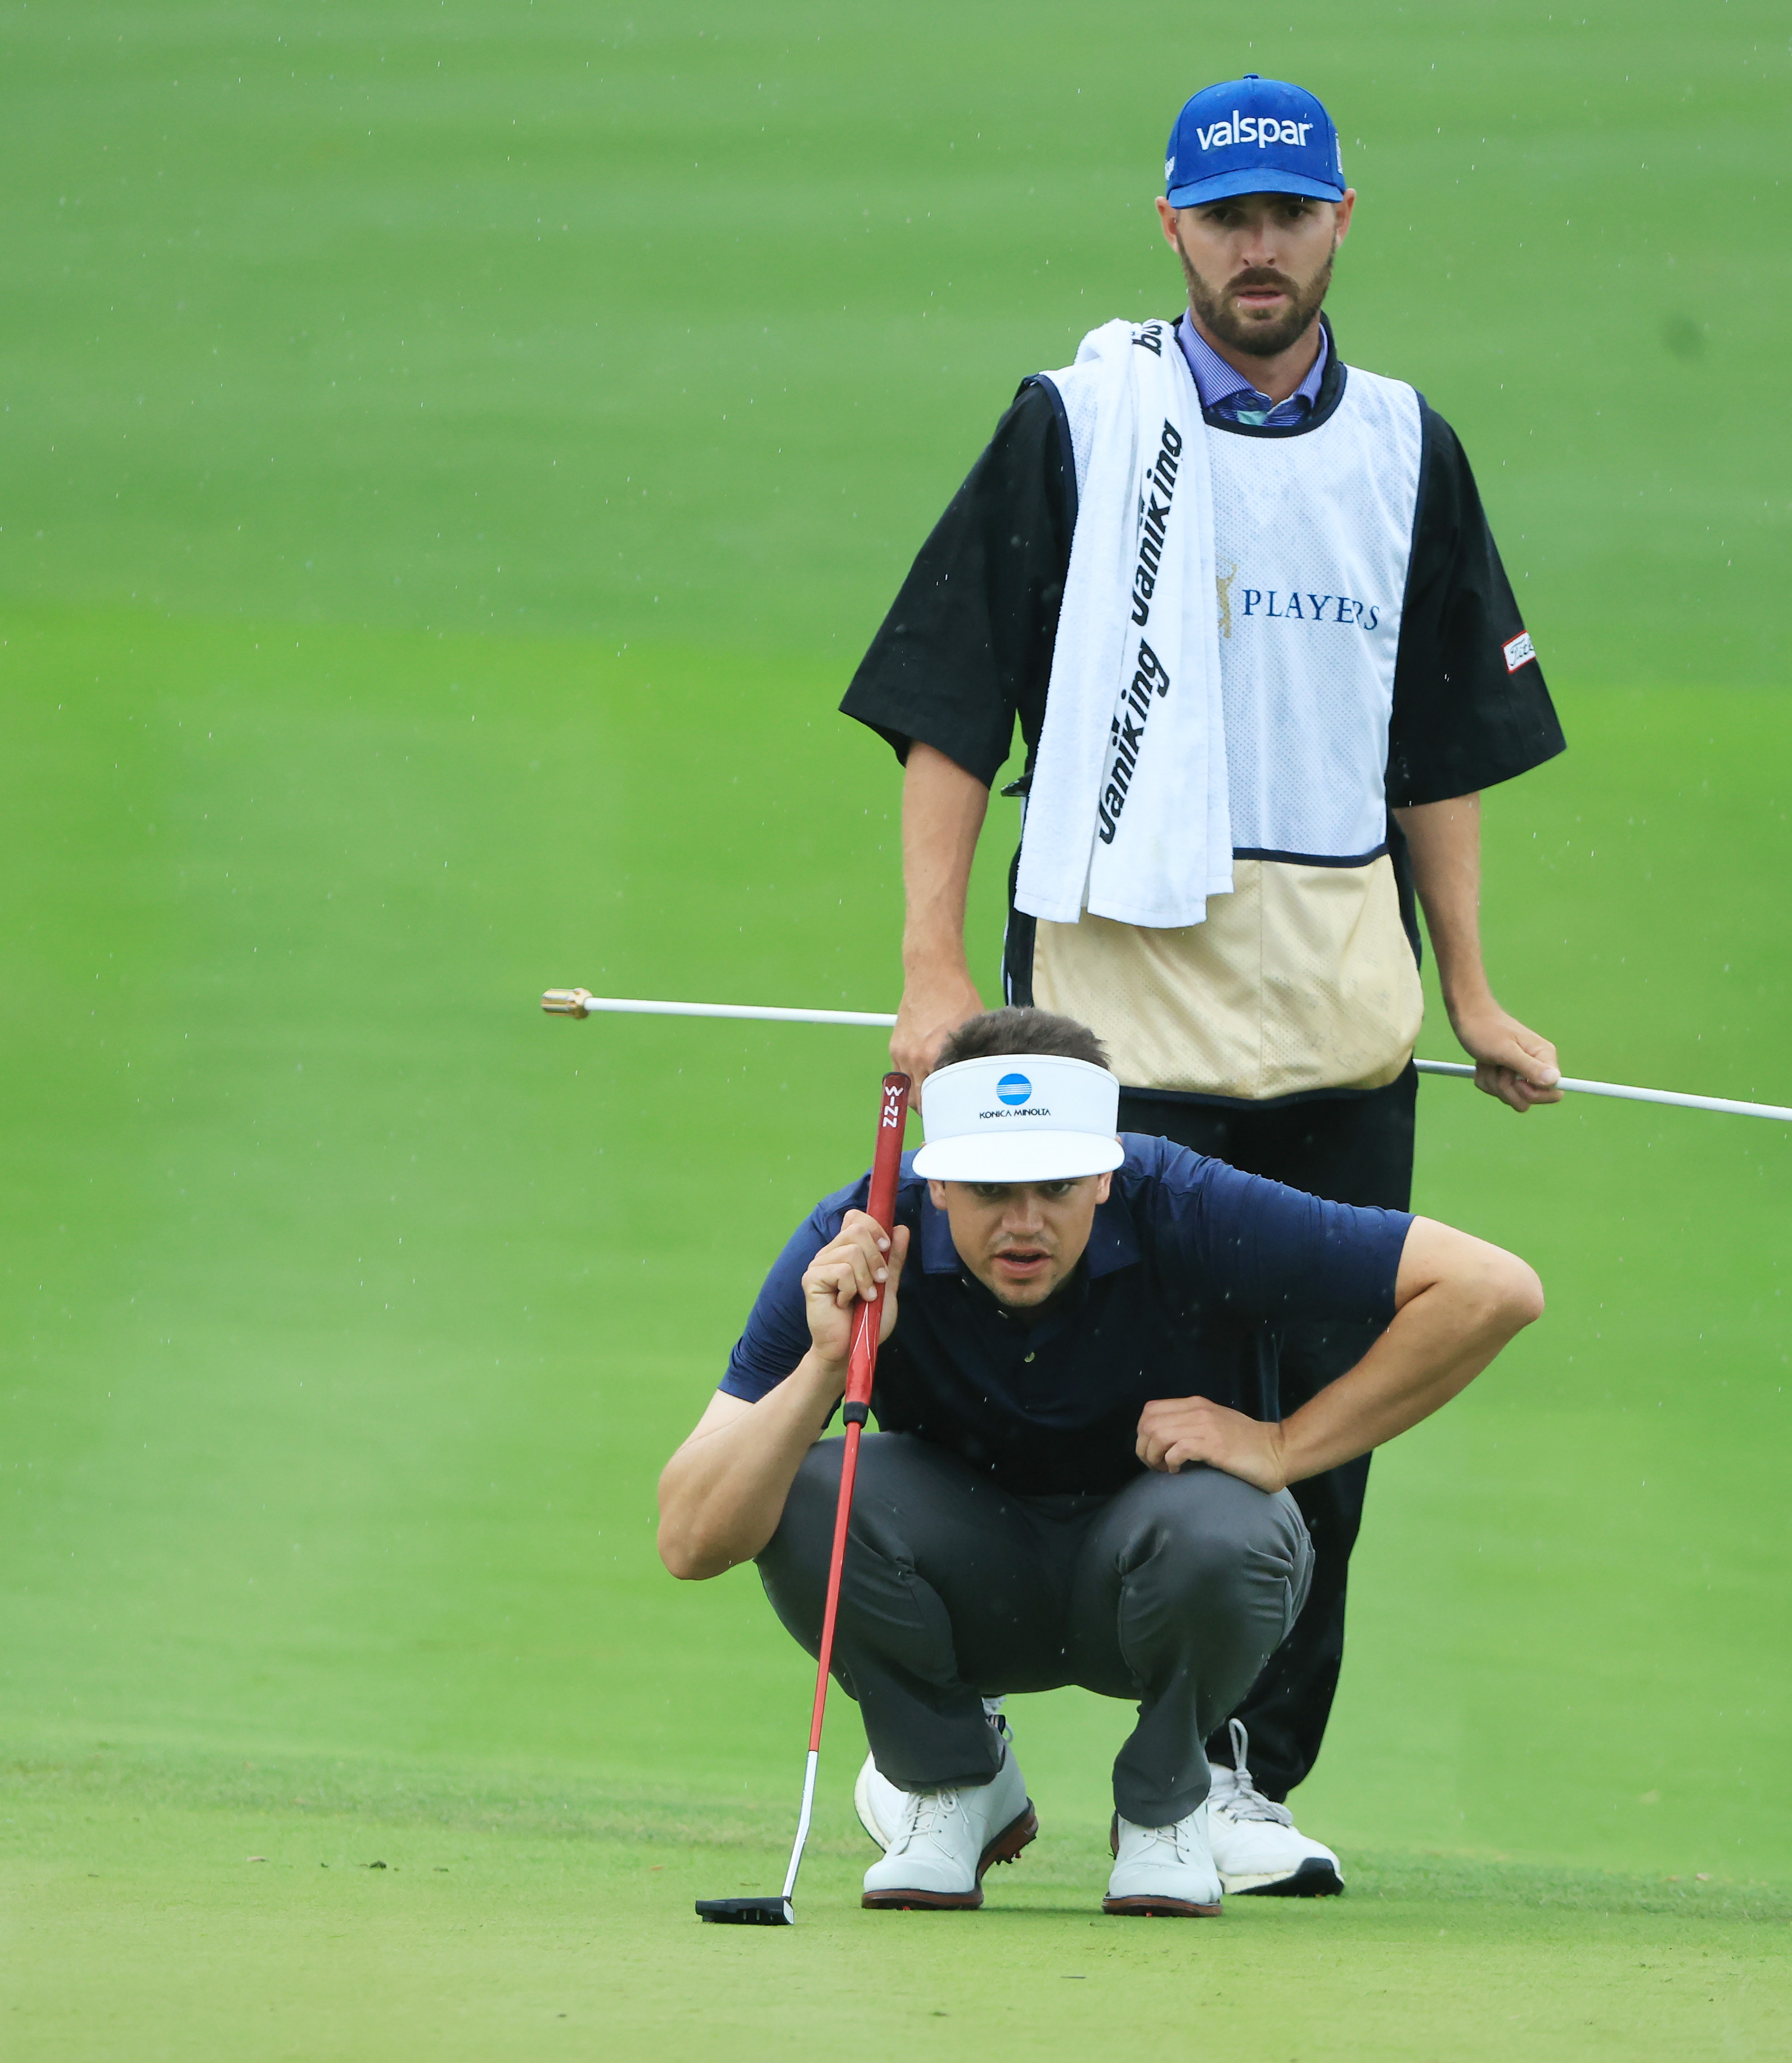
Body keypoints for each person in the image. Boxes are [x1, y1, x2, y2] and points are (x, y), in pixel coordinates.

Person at [836, 73, 1568, 1893]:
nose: (1260, 250)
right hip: (1114, 1011)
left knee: (1319, 1421)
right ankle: (962, 1748)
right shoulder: (1078, 423)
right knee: (1059, 1389)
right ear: (1171, 226)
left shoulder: (1405, 445)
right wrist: (932, 963)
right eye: (1228, 218)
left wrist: (1475, 990)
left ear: (1339, 223)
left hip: (1336, 1015)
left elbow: (1439, 742)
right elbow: (949, 701)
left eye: (1289, 216)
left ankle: (1230, 1775)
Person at [656, 1008, 1542, 1916]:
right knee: (810, 1489)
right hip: (970, 1580)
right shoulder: (864, 1238)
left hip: (1158, 1576)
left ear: (1106, 1174)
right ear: (939, 1183)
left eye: (1057, 1185)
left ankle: (1168, 1805)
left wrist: (1281, 1446)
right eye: (991, 1189)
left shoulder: (1187, 1202)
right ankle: (952, 1783)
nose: (1025, 1224)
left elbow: (1492, 1289)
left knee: (1233, 1524)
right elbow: (689, 1539)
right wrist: (825, 1365)